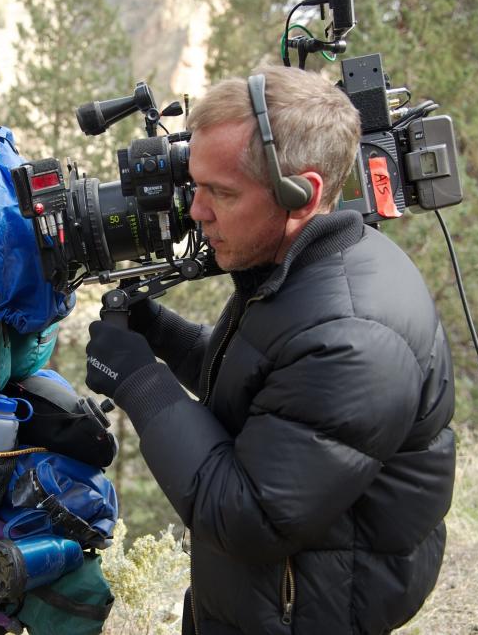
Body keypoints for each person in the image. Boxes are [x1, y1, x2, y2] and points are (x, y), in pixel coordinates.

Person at [84, 66, 456, 634]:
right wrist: (160, 333)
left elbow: (247, 515)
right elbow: (267, 385)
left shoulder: (354, 337)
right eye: (196, 184)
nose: (195, 212)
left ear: (301, 194)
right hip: (266, 600)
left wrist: (141, 382)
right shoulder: (308, 265)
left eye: (222, 193)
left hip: (305, 613)